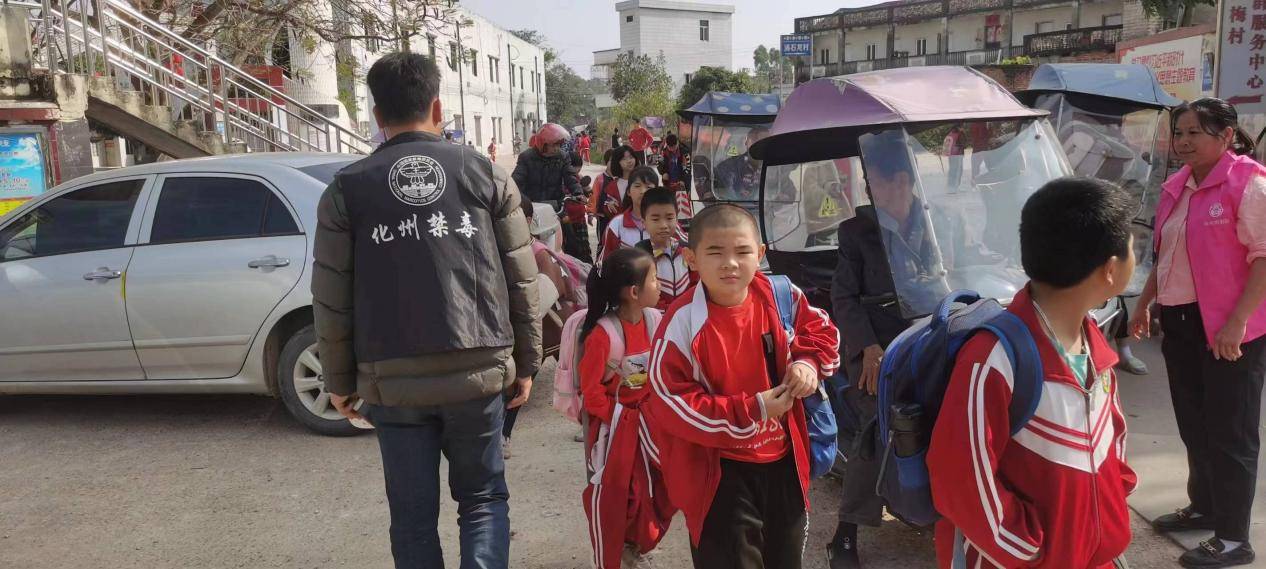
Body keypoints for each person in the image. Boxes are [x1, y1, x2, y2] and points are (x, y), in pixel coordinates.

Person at [311, 52, 541, 569]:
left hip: (393, 380)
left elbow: (330, 295)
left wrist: (339, 379)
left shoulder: (347, 189)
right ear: (438, 107)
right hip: (477, 372)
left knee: (412, 517)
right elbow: (521, 279)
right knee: (482, 501)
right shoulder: (486, 174)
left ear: (375, 116)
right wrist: (526, 362)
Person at [929, 177, 1138, 568]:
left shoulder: (1093, 343)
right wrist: (1030, 550)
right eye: (1132, 246)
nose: (1135, 256)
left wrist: (1111, 517)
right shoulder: (994, 358)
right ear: (1110, 269)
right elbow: (959, 480)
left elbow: (1114, 441)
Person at [645, 204, 840, 569]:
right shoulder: (683, 321)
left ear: (761, 254)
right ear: (691, 258)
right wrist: (754, 409)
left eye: (742, 252)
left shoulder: (781, 296)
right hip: (719, 474)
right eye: (715, 253)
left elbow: (823, 331)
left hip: (783, 463)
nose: (730, 264)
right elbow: (670, 401)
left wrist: (807, 363)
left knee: (785, 559)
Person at [1128, 98, 1266, 568]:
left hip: (1231, 330)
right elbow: (1166, 254)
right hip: (1182, 321)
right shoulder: (1179, 186)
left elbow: (1264, 256)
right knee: (1194, 423)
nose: (1183, 142)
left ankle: (1232, 538)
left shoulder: (1248, 183)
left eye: (1194, 133)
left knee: (1231, 432)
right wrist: (1146, 303)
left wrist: (1238, 321)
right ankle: (1204, 506)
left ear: (1226, 136)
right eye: (1179, 132)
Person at [825, 134, 946, 568]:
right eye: (870, 180)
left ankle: (937, 507)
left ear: (903, 180)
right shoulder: (856, 231)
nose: (872, 188)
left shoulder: (938, 223)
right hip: (877, 348)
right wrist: (869, 348)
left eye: (875, 179)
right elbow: (844, 299)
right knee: (877, 424)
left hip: (932, 339)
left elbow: (966, 268)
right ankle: (845, 531)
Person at [579, 246, 675, 569]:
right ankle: (624, 548)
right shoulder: (603, 336)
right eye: (654, 280)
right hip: (615, 433)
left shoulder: (656, 321)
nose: (660, 285)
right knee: (625, 496)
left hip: (650, 428)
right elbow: (591, 395)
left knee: (661, 491)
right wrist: (625, 421)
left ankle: (637, 543)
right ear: (635, 292)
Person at [635, 186, 696, 311]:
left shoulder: (686, 250)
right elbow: (642, 294)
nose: (663, 225)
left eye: (669, 218)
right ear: (643, 222)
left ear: (676, 218)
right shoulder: (640, 255)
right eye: (655, 219)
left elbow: (695, 283)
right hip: (655, 319)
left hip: (685, 315)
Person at [599, 166, 659, 263]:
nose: (643, 191)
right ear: (628, 192)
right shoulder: (616, 225)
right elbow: (606, 262)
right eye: (637, 186)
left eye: (648, 187)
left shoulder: (666, 222)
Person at [591, 146, 641, 240]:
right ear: (617, 162)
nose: (629, 161)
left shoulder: (643, 181)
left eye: (631, 157)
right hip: (621, 232)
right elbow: (607, 210)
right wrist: (607, 205)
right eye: (624, 159)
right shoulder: (612, 186)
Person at [714, 127, 770, 202]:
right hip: (736, 210)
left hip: (768, 209)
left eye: (767, 142)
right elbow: (726, 194)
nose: (765, 146)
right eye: (755, 140)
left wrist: (782, 195)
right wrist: (738, 193)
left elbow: (785, 189)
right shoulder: (728, 167)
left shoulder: (776, 167)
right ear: (748, 142)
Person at [943, 125, 964, 191]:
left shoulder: (950, 134)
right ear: (958, 127)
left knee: (952, 170)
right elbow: (963, 144)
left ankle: (950, 186)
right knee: (958, 170)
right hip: (958, 155)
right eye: (962, 126)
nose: (963, 128)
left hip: (951, 155)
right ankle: (956, 186)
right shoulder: (959, 134)